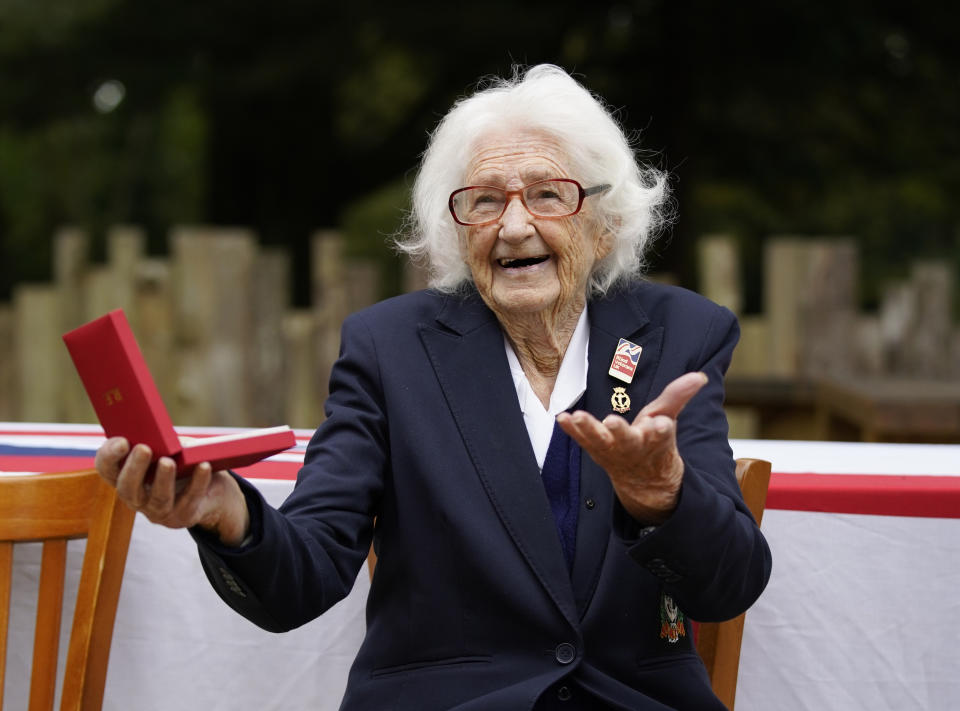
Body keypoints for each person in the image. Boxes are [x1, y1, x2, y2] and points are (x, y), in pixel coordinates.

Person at [95, 64, 771, 710]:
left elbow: (728, 585)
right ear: (455, 230)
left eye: (546, 194)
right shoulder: (389, 349)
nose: (512, 226)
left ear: (605, 222)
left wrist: (664, 497)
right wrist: (225, 512)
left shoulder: (681, 334)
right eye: (483, 201)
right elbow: (305, 572)